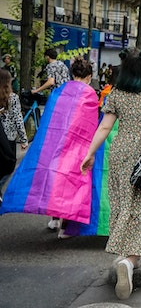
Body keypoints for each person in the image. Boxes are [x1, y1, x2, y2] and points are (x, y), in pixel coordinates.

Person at [80, 48, 141, 300]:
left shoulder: (116, 95)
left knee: (125, 202)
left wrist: (90, 153)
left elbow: (104, 126)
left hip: (122, 152)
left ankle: (130, 253)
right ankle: (130, 260)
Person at [1, 58, 98, 238]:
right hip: (77, 145)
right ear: (89, 76)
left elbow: (50, 119)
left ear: (72, 74)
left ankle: (54, 218)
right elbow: (91, 124)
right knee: (71, 183)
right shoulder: (90, 93)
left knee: (54, 178)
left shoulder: (59, 92)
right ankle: (65, 228)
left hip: (54, 143)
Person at [0, 69, 27, 193]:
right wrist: (23, 139)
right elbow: (18, 119)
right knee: (9, 167)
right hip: (9, 138)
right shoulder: (13, 98)